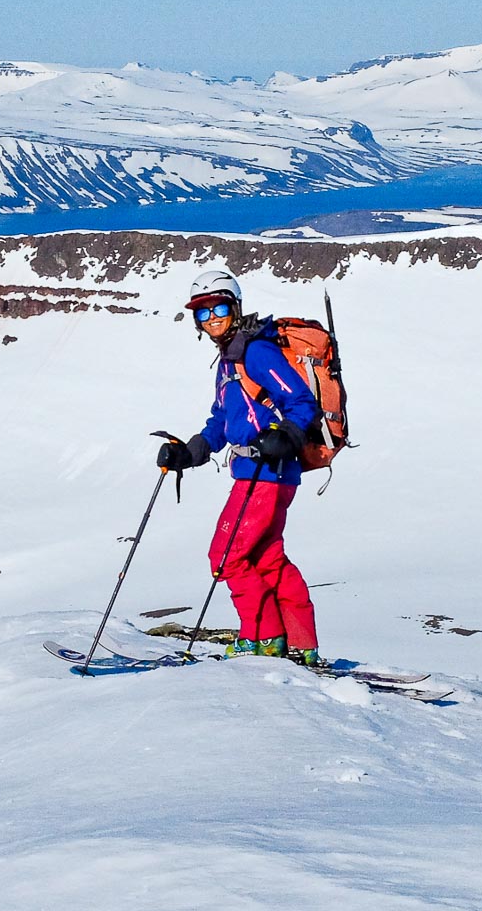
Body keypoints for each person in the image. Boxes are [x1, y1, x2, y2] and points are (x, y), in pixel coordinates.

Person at [157, 270, 323, 666]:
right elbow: (222, 421)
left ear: (235, 307)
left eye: (218, 307)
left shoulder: (256, 352)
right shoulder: (230, 359)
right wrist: (189, 452)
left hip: (266, 473)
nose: (211, 317)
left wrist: (287, 435)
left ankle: (262, 638)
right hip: (263, 474)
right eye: (202, 313)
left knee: (225, 556)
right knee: (267, 558)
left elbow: (301, 403)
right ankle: (300, 642)